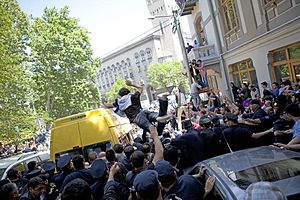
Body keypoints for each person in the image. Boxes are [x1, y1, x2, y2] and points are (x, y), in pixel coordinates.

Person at [104, 80, 169, 138]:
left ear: (120, 95)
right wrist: (131, 84)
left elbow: (108, 105)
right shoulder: (132, 97)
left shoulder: (119, 102)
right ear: (128, 92)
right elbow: (140, 88)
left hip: (137, 118)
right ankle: (163, 101)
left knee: (155, 132)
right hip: (143, 111)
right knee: (161, 116)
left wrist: (104, 102)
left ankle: (160, 119)